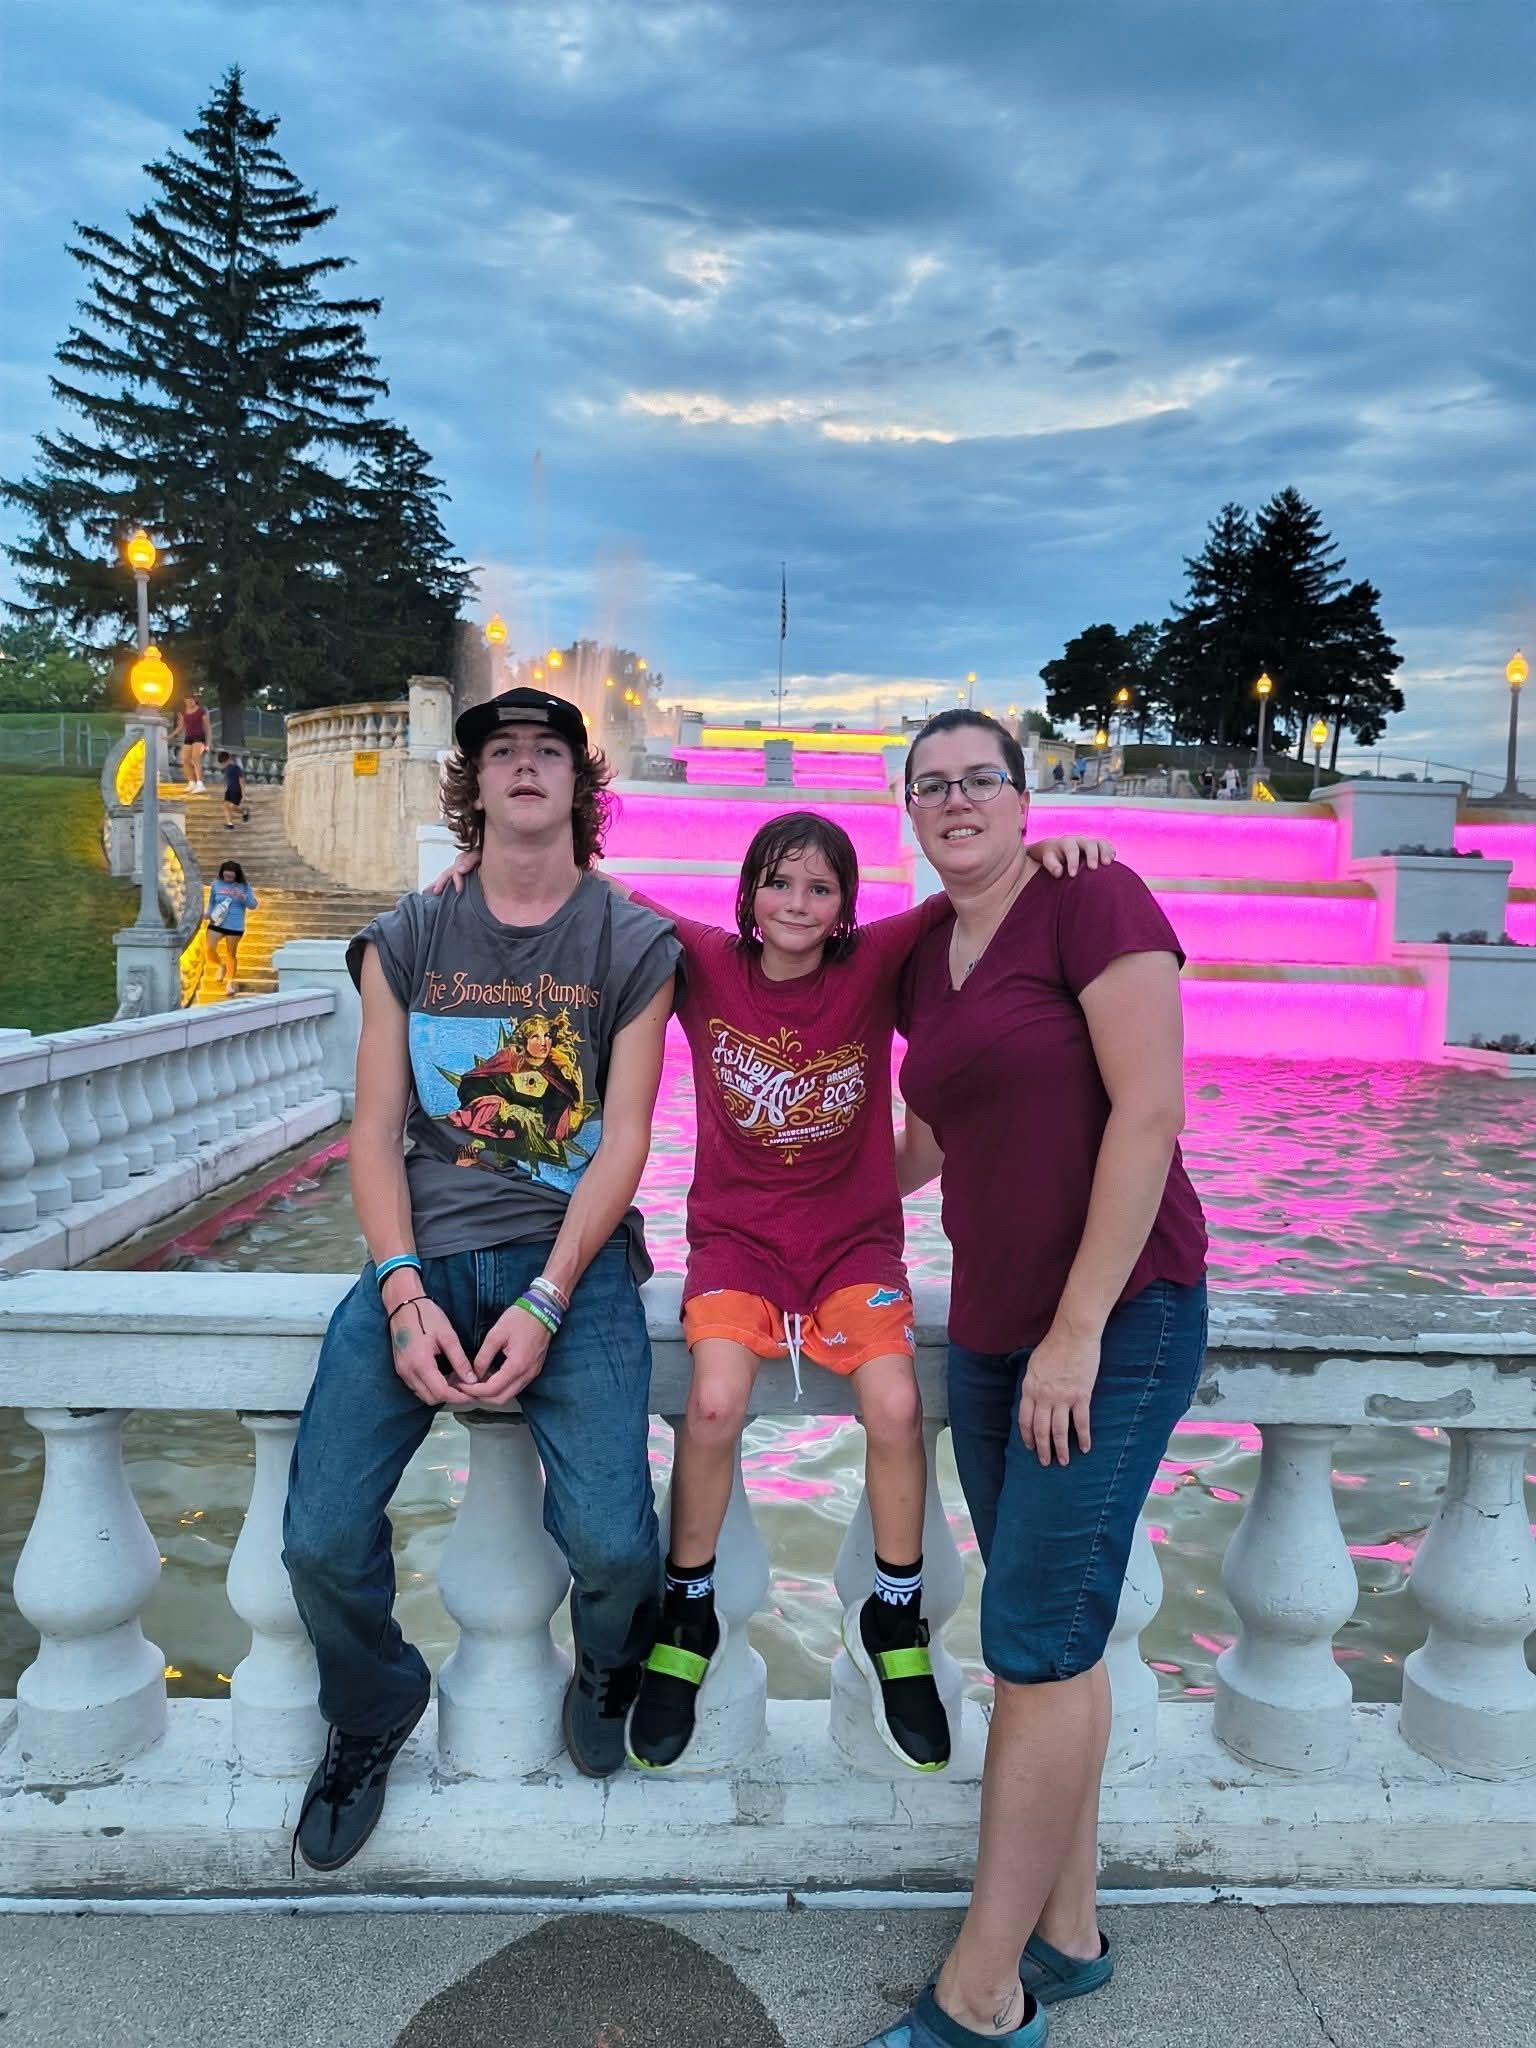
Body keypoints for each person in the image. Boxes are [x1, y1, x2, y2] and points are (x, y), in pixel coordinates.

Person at [433, 813, 1115, 1780]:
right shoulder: (708, 963)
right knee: (712, 1401)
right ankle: (691, 1607)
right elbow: (611, 893)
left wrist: (1043, 855)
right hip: (737, 1241)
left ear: (845, 908)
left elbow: (972, 897)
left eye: (820, 889)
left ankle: (892, 1612)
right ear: (749, 894)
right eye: (779, 884)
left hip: (853, 1243)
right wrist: (499, 857)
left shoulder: (875, 960)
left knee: (892, 1403)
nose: (797, 905)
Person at [281, 685, 681, 1874]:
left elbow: (623, 1142)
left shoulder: (633, 941)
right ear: (474, 786)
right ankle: (371, 1704)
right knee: (316, 1535)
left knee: (613, 1543)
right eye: (500, 751)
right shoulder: (409, 934)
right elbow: (372, 1128)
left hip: (576, 1256)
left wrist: (551, 1293)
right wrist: (400, 1290)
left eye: (545, 751)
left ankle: (611, 1654)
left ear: (577, 784)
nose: (522, 765)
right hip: (422, 1254)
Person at [862, 709, 1207, 2048]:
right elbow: (928, 1141)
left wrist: (1077, 1333)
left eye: (978, 781)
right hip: (999, 1334)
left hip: (1113, 1325)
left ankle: (982, 1995)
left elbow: (1152, 1109)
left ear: (1023, 796)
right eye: (930, 786)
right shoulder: (928, 968)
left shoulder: (1093, 894)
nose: (955, 801)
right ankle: (1068, 1934)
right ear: (910, 808)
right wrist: (775, 1204)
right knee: (1056, 1638)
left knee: (1029, 1647)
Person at [204, 859, 257, 995]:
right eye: (225, 876)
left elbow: (253, 905)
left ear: (236, 876)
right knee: (209, 949)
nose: (227, 879)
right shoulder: (216, 884)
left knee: (231, 954)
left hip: (235, 924)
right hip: (217, 921)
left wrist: (242, 897)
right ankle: (220, 965)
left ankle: (229, 983)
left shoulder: (244, 886)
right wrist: (208, 912)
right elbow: (211, 902)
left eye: (230, 877)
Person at [178, 695, 209, 791]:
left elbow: (207, 728)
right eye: (187, 700)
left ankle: (200, 784)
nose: (189, 702)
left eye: (191, 700)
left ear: (195, 700)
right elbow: (181, 727)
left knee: (196, 759)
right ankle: (192, 782)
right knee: (185, 759)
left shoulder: (201, 711)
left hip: (199, 737)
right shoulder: (184, 712)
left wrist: (208, 743)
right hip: (189, 738)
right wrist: (169, 736)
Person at [218, 749, 249, 827]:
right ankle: (230, 824)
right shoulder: (226, 768)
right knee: (226, 806)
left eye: (224, 763)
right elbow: (228, 779)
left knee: (233, 807)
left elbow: (242, 781)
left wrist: (243, 794)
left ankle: (244, 811)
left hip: (237, 792)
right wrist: (226, 787)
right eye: (222, 763)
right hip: (229, 791)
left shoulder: (236, 768)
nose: (223, 765)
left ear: (228, 759)